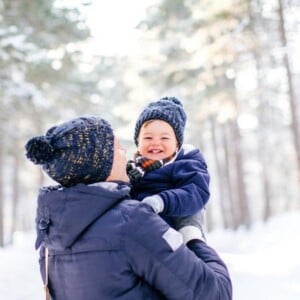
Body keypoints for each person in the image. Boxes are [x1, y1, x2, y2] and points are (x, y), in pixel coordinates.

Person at [25, 116, 232, 300]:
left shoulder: (52, 236)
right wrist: (192, 233)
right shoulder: (132, 221)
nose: (125, 151)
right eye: (116, 147)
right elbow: (216, 293)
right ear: (101, 163)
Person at [127, 96, 210, 242]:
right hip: (142, 238)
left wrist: (162, 201)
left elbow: (196, 193)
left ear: (177, 144)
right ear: (138, 142)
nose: (155, 143)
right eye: (148, 138)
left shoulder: (185, 163)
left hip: (178, 239)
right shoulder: (133, 170)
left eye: (164, 138)